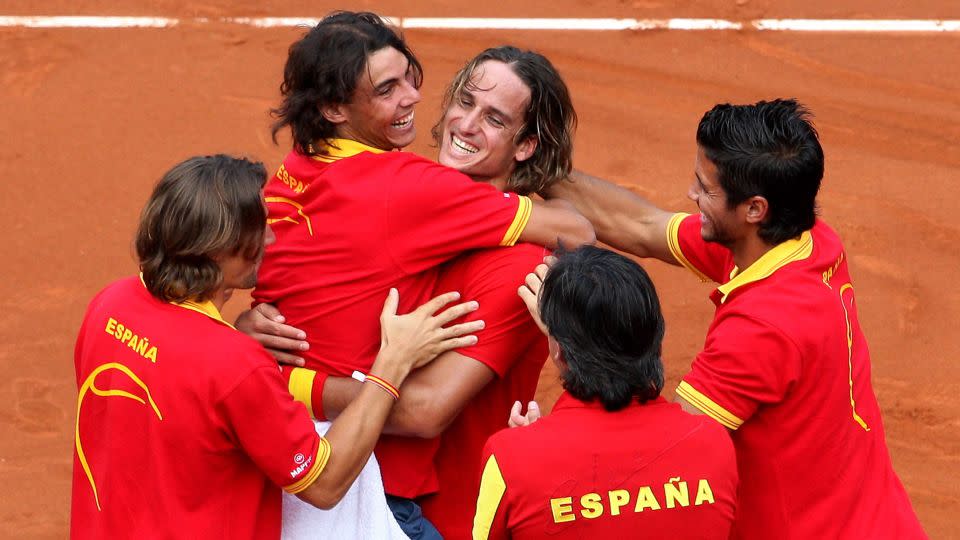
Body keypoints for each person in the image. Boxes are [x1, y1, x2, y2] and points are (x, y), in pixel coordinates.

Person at [249, 11, 593, 537]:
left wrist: (268, 369)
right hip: (350, 487)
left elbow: (424, 410)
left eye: (496, 120)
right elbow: (580, 227)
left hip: (356, 488)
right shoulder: (408, 191)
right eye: (464, 102)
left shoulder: (297, 172)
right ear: (335, 108)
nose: (412, 98)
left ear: (526, 146)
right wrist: (258, 349)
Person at [543, 99, 926, 538]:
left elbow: (663, 458)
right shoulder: (803, 241)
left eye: (706, 189)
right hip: (877, 521)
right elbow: (642, 225)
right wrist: (542, 175)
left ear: (754, 209)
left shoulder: (762, 329)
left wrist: (563, 327)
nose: (692, 195)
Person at [71, 155, 481, 538]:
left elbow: (173, 378)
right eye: (258, 230)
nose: (269, 238)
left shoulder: (109, 305)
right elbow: (324, 482)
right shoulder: (234, 366)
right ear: (221, 250)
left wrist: (226, 338)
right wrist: (392, 362)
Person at [473, 245, 737, 539]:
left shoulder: (511, 458)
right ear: (656, 338)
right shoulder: (713, 440)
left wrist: (533, 448)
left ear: (559, 351)